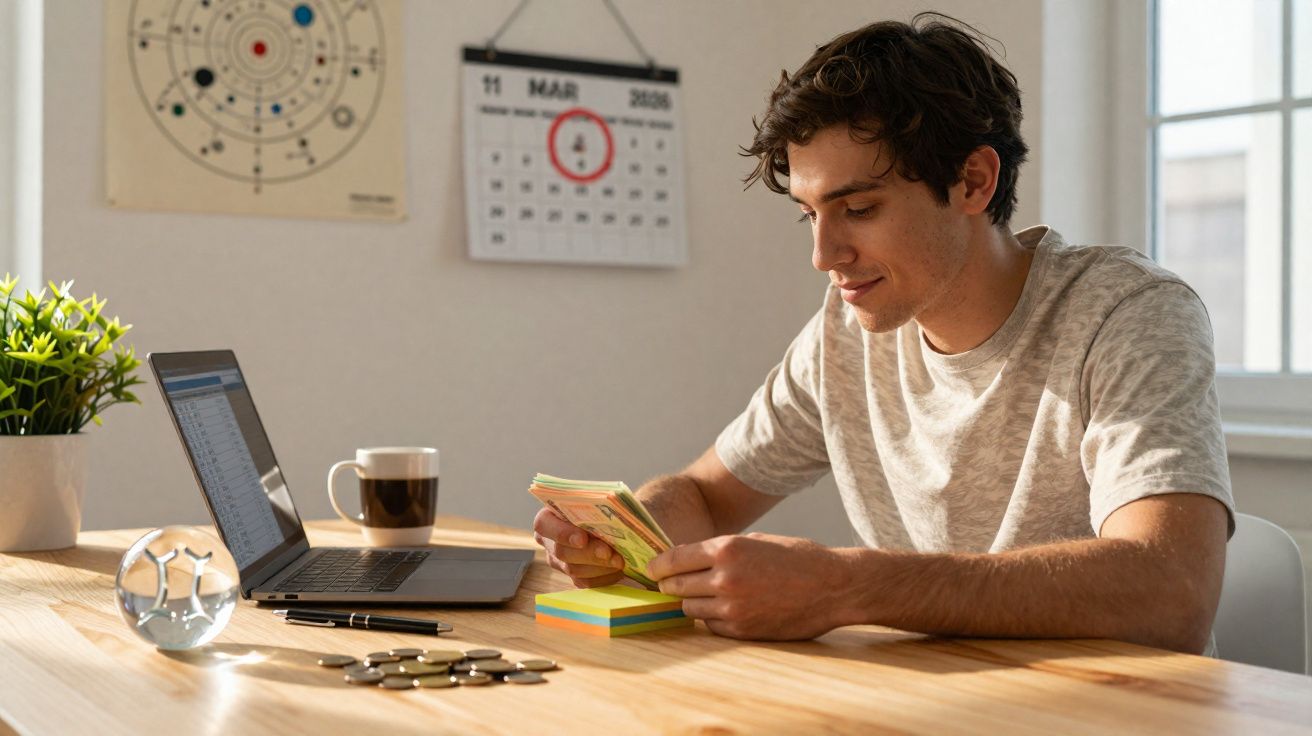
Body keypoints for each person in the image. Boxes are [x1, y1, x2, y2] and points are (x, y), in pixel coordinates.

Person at [533, 13, 1233, 655]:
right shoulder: (845, 334)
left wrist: (850, 585)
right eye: (809, 214)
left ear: (972, 181)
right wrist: (628, 534)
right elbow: (708, 497)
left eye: (859, 208)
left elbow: (1172, 589)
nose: (823, 254)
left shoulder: (1128, 314)